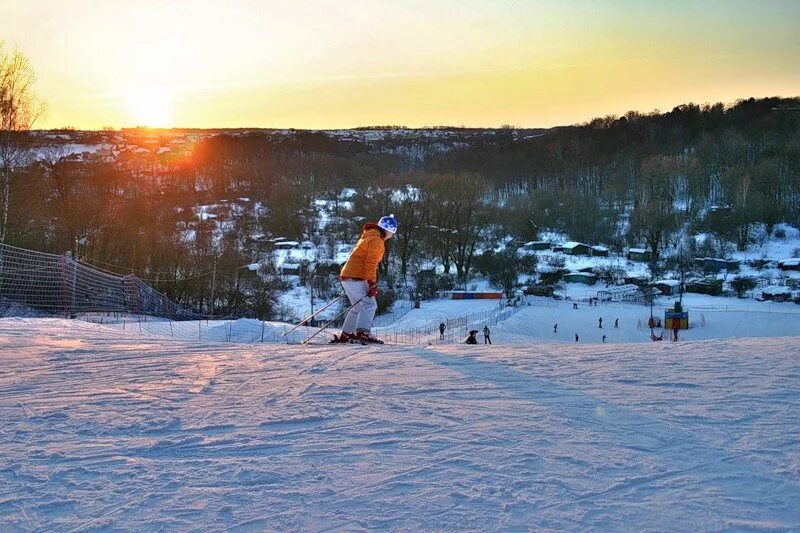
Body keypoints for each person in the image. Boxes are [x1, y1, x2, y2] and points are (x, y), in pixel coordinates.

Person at [335, 214, 398, 344]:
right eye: (392, 233)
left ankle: (346, 334)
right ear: (388, 231)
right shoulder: (377, 240)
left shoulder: (369, 235)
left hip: (347, 275)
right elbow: (370, 263)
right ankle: (362, 333)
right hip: (356, 276)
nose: (391, 237)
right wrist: (371, 283)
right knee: (370, 305)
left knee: (357, 307)